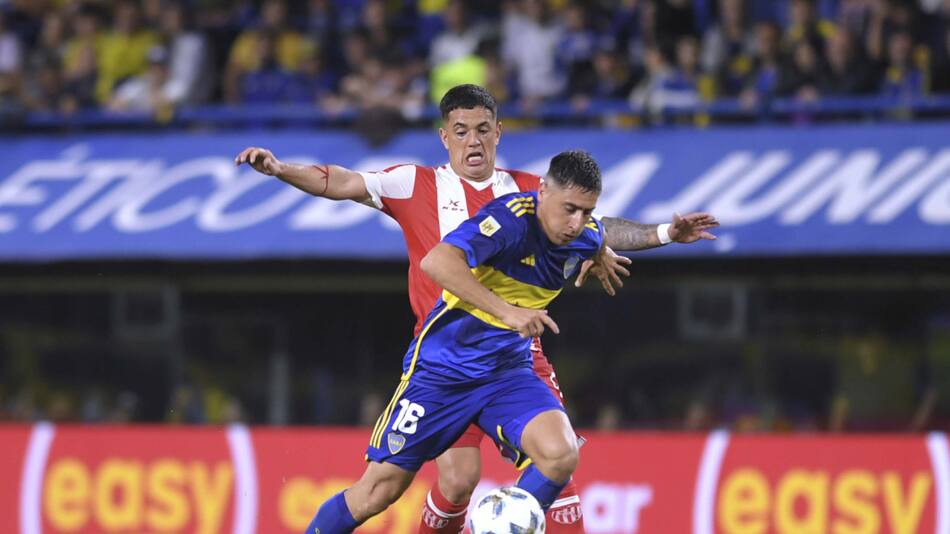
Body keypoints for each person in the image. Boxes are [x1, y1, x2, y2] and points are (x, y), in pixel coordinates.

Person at [235, 84, 719, 533]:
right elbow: (337, 180)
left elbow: (593, 223)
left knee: (559, 464)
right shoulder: (414, 184)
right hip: (445, 360)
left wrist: (654, 235)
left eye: (483, 130)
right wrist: (281, 170)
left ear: (498, 133)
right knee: (449, 482)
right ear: (445, 137)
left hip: (515, 356)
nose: (473, 142)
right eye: (462, 132)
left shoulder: (534, 191)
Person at [304, 149, 607, 532]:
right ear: (543, 191)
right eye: (570, 209)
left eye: (587, 212)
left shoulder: (587, 236)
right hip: (442, 372)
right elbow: (437, 262)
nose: (577, 222)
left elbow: (604, 234)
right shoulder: (508, 220)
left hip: (505, 374)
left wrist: (633, 244)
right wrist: (506, 312)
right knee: (378, 492)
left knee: (561, 456)